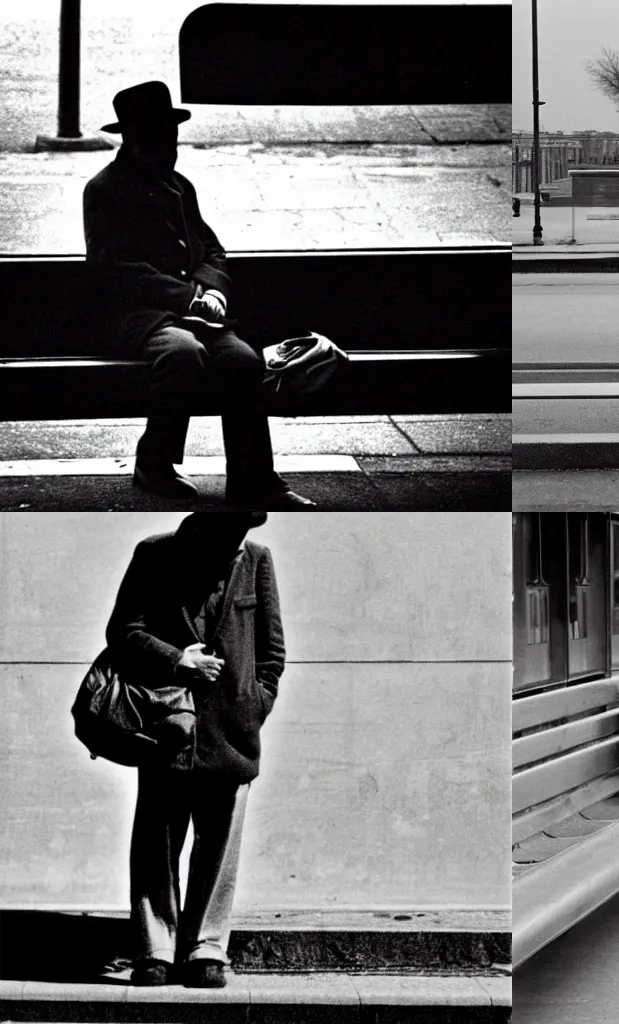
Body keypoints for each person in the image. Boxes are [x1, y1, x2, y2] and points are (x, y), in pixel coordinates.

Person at [83, 82, 314, 508]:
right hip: (140, 317)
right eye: (157, 138)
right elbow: (114, 270)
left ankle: (252, 477)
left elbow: (211, 249)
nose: (169, 147)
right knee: (182, 355)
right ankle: (154, 462)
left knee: (244, 361)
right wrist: (189, 296)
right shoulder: (105, 190)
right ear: (132, 140)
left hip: (197, 313)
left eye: (171, 137)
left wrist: (213, 290)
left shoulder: (179, 186)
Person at [106, 512, 285, 988]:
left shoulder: (256, 559)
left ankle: (206, 947)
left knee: (219, 847)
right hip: (168, 726)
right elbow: (122, 632)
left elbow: (272, 653)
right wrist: (176, 659)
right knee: (156, 844)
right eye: (226, 541)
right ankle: (155, 950)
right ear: (205, 527)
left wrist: (255, 703)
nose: (235, 551)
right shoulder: (155, 553)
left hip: (232, 729)